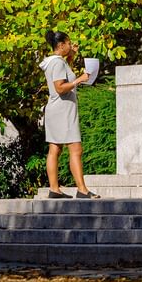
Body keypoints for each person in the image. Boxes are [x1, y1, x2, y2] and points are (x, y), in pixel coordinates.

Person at [38, 29, 98, 199]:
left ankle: (54, 189)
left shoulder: (56, 62)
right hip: (62, 110)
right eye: (69, 43)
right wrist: (80, 79)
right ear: (61, 45)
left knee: (55, 148)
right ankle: (82, 190)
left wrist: (71, 57)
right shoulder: (57, 63)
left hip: (59, 109)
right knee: (75, 149)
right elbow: (60, 87)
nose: (71, 45)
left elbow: (64, 78)